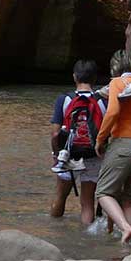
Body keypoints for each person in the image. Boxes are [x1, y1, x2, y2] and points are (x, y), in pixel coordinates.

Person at [94, 50, 131, 243]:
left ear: (115, 68)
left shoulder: (117, 83)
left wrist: (100, 139)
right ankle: (128, 245)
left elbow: (113, 112)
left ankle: (125, 228)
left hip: (124, 144)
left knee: (103, 191)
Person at [50, 59, 107, 224]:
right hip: (93, 155)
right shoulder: (103, 101)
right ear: (95, 78)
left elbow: (54, 134)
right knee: (88, 203)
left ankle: (54, 232)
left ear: (74, 77)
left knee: (60, 197)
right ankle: (87, 239)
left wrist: (56, 155)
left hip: (68, 154)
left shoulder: (64, 99)